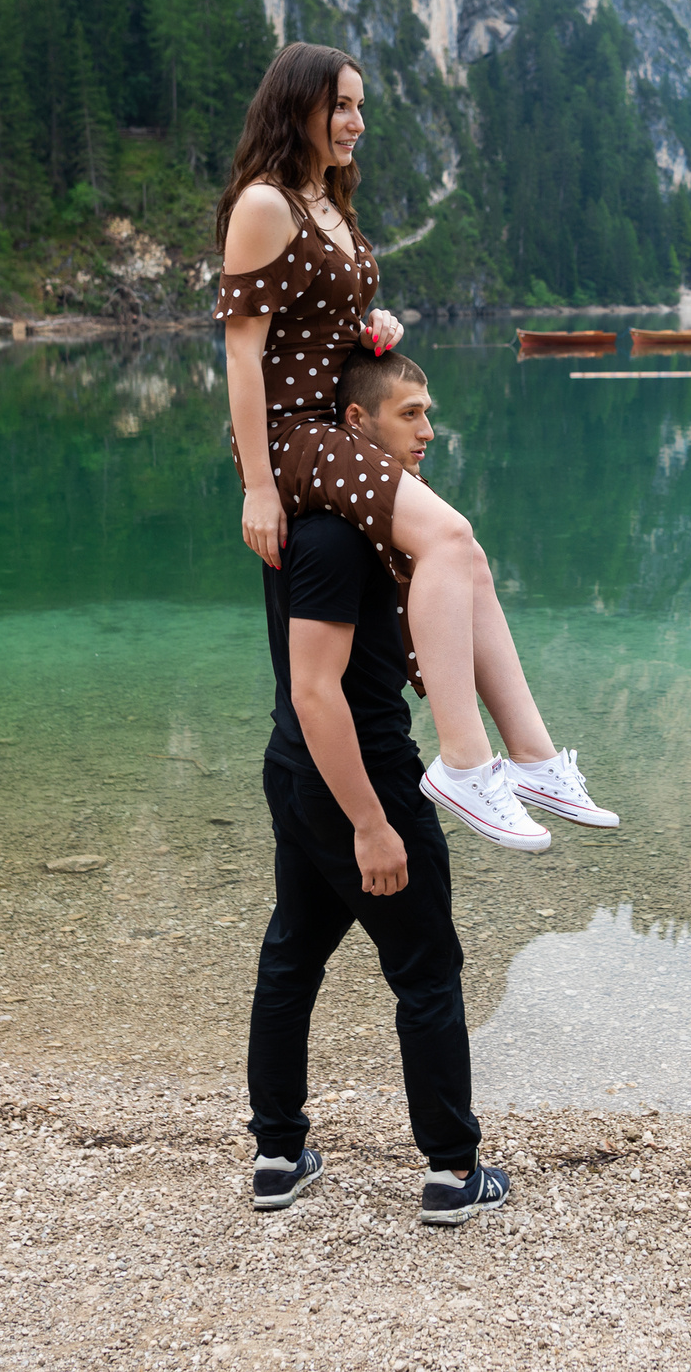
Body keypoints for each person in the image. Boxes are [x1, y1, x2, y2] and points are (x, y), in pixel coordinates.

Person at [214, 41, 615, 847]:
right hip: (296, 437)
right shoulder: (264, 203)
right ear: (298, 106)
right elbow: (243, 352)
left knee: (469, 557)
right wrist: (259, 485)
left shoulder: (327, 199)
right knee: (449, 536)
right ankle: (464, 763)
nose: (357, 122)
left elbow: (312, 323)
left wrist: (369, 329)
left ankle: (533, 757)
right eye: (341, 105)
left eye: (361, 106)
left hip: (335, 423)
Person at [243, 355, 515, 1224]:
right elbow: (315, 691)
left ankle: (277, 1156)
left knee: (293, 955)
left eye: (429, 412)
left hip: (298, 771)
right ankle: (452, 1170)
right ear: (356, 425)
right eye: (410, 413)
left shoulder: (324, 521)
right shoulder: (332, 536)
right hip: (358, 775)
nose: (428, 430)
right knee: (427, 969)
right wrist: (370, 821)